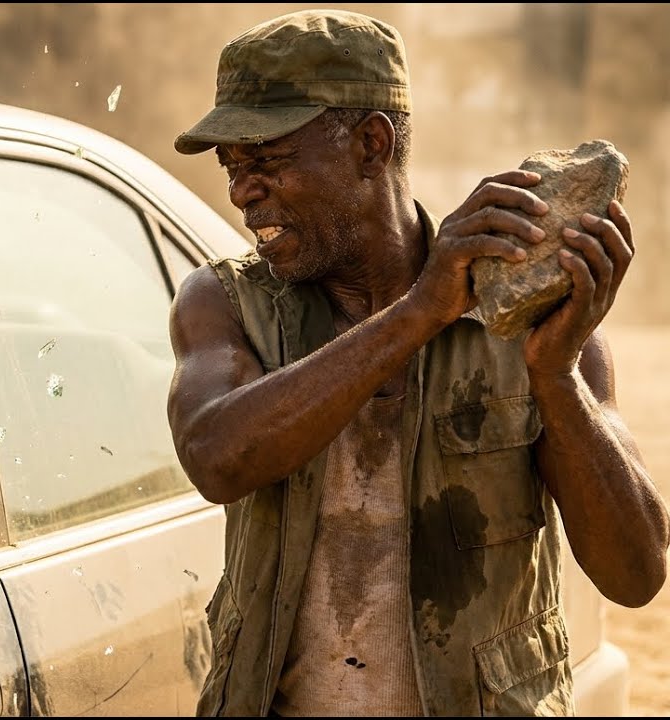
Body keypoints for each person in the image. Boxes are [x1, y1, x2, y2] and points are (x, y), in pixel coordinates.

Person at [166, 9, 669, 717]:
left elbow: (636, 572)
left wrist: (553, 378)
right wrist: (417, 313)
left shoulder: (526, 310)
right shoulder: (223, 302)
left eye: (267, 162)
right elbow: (217, 458)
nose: (242, 192)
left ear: (372, 143)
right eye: (233, 168)